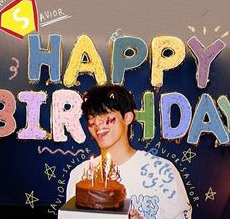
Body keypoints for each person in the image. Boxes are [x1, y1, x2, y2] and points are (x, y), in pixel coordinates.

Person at [66, 84, 192, 219]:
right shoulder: (80, 175)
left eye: (105, 114)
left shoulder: (162, 171)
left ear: (127, 118)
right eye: (92, 117)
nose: (98, 123)